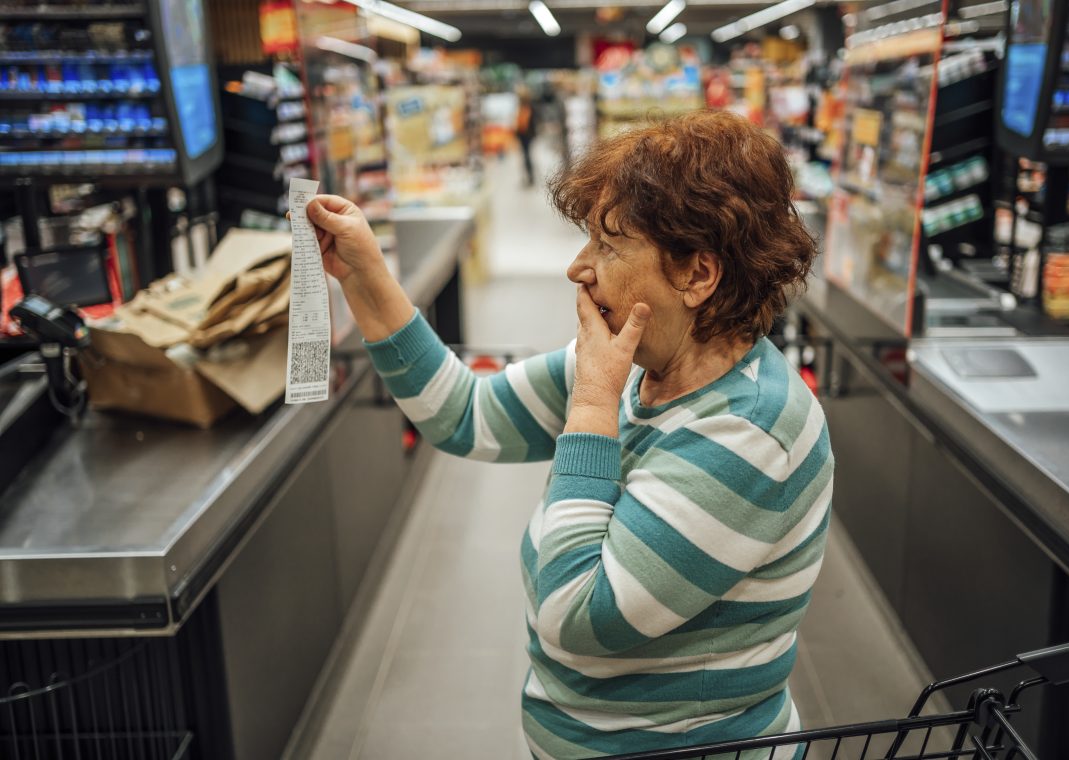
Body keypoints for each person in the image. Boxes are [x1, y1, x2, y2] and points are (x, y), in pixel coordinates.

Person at [303, 110, 833, 760]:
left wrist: (590, 407)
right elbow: (464, 413)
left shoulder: (748, 432)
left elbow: (577, 616)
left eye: (609, 247)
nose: (579, 269)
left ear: (698, 274)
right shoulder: (639, 367)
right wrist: (364, 275)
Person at [517, 88, 538, 186]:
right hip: (523, 135)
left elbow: (532, 123)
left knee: (527, 156)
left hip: (527, 135)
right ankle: (529, 176)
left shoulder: (529, 108)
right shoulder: (523, 107)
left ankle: (530, 176)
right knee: (525, 155)